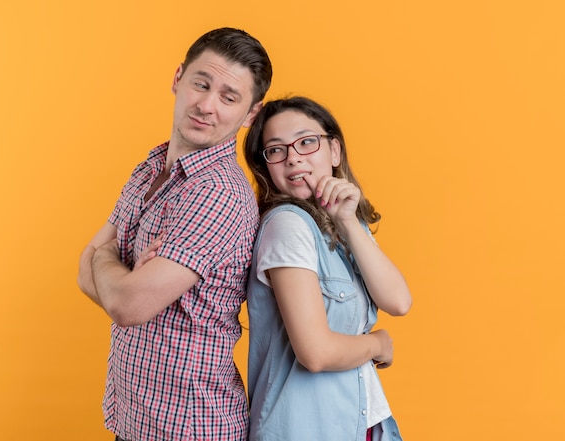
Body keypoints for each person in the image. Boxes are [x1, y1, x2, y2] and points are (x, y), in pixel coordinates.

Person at [77, 28, 272, 441]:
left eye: (229, 97)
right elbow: (85, 271)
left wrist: (107, 264)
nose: (206, 105)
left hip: (188, 427)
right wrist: (115, 275)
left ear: (251, 114)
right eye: (201, 84)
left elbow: (127, 304)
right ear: (178, 78)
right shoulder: (151, 167)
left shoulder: (217, 194)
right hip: (135, 419)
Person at [243, 96, 412, 441]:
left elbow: (398, 301)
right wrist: (377, 345)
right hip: (305, 428)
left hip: (359, 421)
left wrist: (349, 222)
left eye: (307, 142)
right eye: (276, 150)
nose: (294, 158)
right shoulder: (287, 226)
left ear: (334, 151)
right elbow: (316, 353)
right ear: (266, 167)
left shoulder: (341, 224)